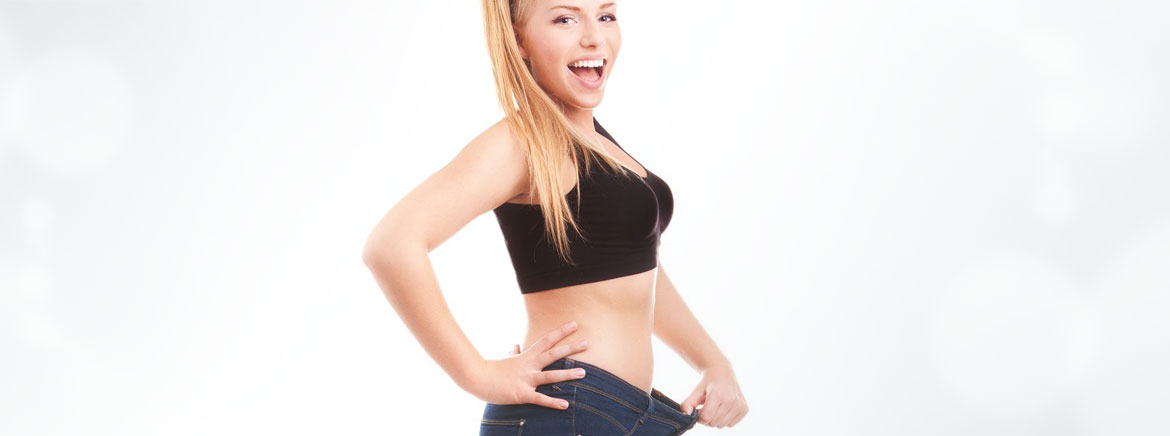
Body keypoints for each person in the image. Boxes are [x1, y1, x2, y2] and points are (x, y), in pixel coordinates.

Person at [361, 0, 748, 434]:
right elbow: (391, 244)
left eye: (605, 16)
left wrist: (713, 362)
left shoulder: (594, 139)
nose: (594, 37)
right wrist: (478, 374)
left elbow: (638, 273)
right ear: (519, 40)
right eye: (565, 19)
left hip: (619, 413)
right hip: (568, 411)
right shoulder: (522, 142)